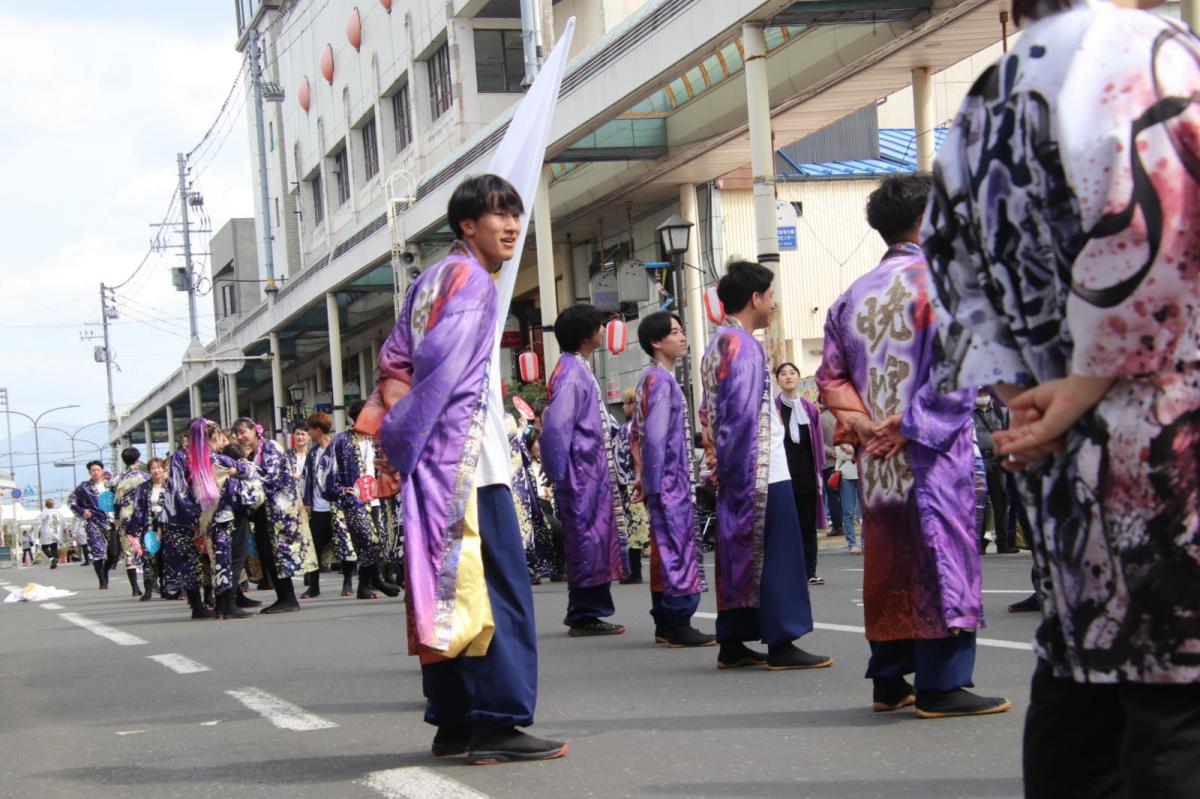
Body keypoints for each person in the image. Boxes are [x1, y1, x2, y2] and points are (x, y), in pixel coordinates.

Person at [924, 0, 1200, 790]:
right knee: (1175, 699)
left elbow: (952, 270)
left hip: (1057, 461)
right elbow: (1165, 236)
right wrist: (1078, 390)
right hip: (1165, 445)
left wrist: (1025, 400)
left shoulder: (988, 94)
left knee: (1083, 681)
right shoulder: (1152, 55)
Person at [356, 174, 566, 763]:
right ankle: (497, 723)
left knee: (444, 590)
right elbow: (444, 377)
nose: (511, 226)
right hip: (468, 464)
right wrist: (407, 438)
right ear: (467, 225)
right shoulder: (473, 282)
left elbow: (393, 365)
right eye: (499, 214)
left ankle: (453, 721)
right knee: (497, 595)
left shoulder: (429, 281)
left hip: (432, 462)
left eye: (515, 215)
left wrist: (398, 435)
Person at [817, 173, 1009, 718]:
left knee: (888, 561)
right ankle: (942, 683)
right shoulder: (944, 283)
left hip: (876, 463)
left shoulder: (850, 296)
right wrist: (907, 424)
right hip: (930, 453)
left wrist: (865, 423)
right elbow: (959, 365)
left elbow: (830, 377)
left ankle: (889, 679)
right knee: (940, 554)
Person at [699, 261, 831, 671]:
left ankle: (734, 640)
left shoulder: (718, 343)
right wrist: (736, 468)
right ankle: (782, 640)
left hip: (737, 471)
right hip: (761, 471)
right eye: (770, 296)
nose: (772, 304)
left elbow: (711, 414)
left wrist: (721, 465)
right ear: (755, 298)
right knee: (780, 558)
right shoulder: (744, 346)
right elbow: (740, 416)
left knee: (739, 555)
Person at [541, 303, 629, 636]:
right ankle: (585, 612)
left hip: (587, 468)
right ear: (585, 334)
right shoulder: (571, 372)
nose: (604, 330)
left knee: (592, 538)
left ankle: (585, 608)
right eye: (599, 325)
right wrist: (557, 467)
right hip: (581, 471)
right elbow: (558, 425)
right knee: (587, 538)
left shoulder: (576, 368)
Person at [630, 311, 713, 647]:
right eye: (674, 332)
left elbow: (639, 434)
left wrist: (644, 479)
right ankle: (678, 619)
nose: (682, 337)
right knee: (678, 549)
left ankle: (666, 621)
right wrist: (655, 483)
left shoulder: (651, 379)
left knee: (666, 551)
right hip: (670, 481)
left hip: (661, 480)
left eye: (682, 331)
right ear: (656, 342)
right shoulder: (662, 382)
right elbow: (653, 437)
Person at [231, 417, 308, 615]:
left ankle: (288, 598)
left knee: (277, 553)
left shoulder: (271, 446)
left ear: (254, 430)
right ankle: (284, 596)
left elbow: (270, 477)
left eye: (243, 432)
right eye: (237, 434)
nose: (240, 437)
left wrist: (243, 467)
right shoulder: (251, 453)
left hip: (280, 511)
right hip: (263, 512)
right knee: (267, 553)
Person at [331, 399, 400, 600]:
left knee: (376, 543)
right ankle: (376, 579)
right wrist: (342, 491)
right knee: (366, 541)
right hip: (354, 500)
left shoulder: (376, 440)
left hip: (377, 499)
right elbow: (327, 473)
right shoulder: (341, 441)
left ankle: (364, 586)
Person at [773, 363, 827, 585]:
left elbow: (819, 443)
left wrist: (820, 474)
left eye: (792, 373)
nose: (788, 377)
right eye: (783, 374)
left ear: (798, 377)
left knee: (807, 526)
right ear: (777, 380)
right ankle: (789, 572)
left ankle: (810, 571)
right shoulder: (774, 409)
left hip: (807, 476)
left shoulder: (810, 409)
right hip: (783, 477)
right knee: (786, 527)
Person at [200, 441, 263, 620]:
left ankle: (221, 606)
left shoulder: (207, 464)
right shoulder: (229, 465)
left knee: (221, 563)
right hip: (234, 516)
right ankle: (229, 604)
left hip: (214, 518)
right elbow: (255, 484)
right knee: (235, 560)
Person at [508, 417, 555, 584]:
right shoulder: (508, 423)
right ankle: (527, 568)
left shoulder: (508, 421)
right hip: (514, 486)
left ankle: (537, 567)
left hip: (524, 492)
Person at [971, 391, 1016, 553]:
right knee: (978, 503)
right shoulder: (969, 413)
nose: (981, 395)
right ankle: (978, 543)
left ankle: (1003, 543)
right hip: (977, 462)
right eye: (978, 392)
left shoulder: (1002, 412)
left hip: (997, 461)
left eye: (984, 392)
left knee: (1001, 503)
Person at [300, 413, 338, 599]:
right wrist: (307, 502)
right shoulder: (313, 453)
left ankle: (348, 582)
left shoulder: (336, 448)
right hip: (318, 507)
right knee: (314, 546)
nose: (307, 433)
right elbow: (307, 479)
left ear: (317, 430)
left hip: (337, 505)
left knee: (344, 544)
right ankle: (313, 585)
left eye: (309, 429)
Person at [615, 388, 650, 585]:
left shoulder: (630, 428)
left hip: (630, 481)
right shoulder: (636, 427)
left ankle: (634, 572)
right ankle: (632, 570)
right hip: (633, 480)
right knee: (634, 525)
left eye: (627, 404)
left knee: (634, 525)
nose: (623, 407)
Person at [69, 460, 114, 589]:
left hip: (111, 523)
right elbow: (71, 501)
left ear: (102, 471)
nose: (95, 472)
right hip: (93, 523)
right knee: (98, 552)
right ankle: (102, 581)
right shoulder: (84, 487)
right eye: (93, 470)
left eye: (98, 470)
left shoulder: (110, 485)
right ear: (89, 472)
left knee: (114, 554)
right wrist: (83, 511)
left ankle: (105, 571)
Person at [130, 457, 168, 601]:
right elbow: (137, 508)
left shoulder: (170, 485)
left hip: (167, 526)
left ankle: (167, 588)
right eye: (153, 468)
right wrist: (135, 527)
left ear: (163, 469)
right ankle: (148, 589)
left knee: (166, 558)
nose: (156, 470)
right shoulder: (143, 487)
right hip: (149, 526)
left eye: (159, 467)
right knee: (149, 557)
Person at [114, 447, 148, 597]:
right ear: (137, 459)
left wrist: (116, 519)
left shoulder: (117, 479)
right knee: (147, 551)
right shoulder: (143, 476)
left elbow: (112, 502)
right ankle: (151, 585)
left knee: (129, 553)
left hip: (124, 519)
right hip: (142, 518)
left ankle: (135, 587)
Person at [819, 404, 843, 538]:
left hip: (829, 463)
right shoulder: (841, 417)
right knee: (846, 495)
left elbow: (818, 442)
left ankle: (838, 525)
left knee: (832, 496)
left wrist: (830, 452)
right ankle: (847, 523)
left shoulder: (820, 419)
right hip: (846, 461)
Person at [833, 442, 861, 553]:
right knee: (848, 513)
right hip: (845, 476)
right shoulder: (841, 437)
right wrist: (856, 452)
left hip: (862, 473)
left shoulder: (860, 432)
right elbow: (840, 455)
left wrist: (852, 451)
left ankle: (865, 542)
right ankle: (851, 544)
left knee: (866, 513)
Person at [36, 499, 63, 569]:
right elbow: (62, 522)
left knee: (44, 547)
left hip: (47, 532)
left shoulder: (45, 512)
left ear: (46, 505)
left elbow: (37, 521)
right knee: (54, 548)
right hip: (56, 532)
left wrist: (38, 528)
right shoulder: (57, 512)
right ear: (53, 504)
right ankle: (55, 563)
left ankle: (52, 559)